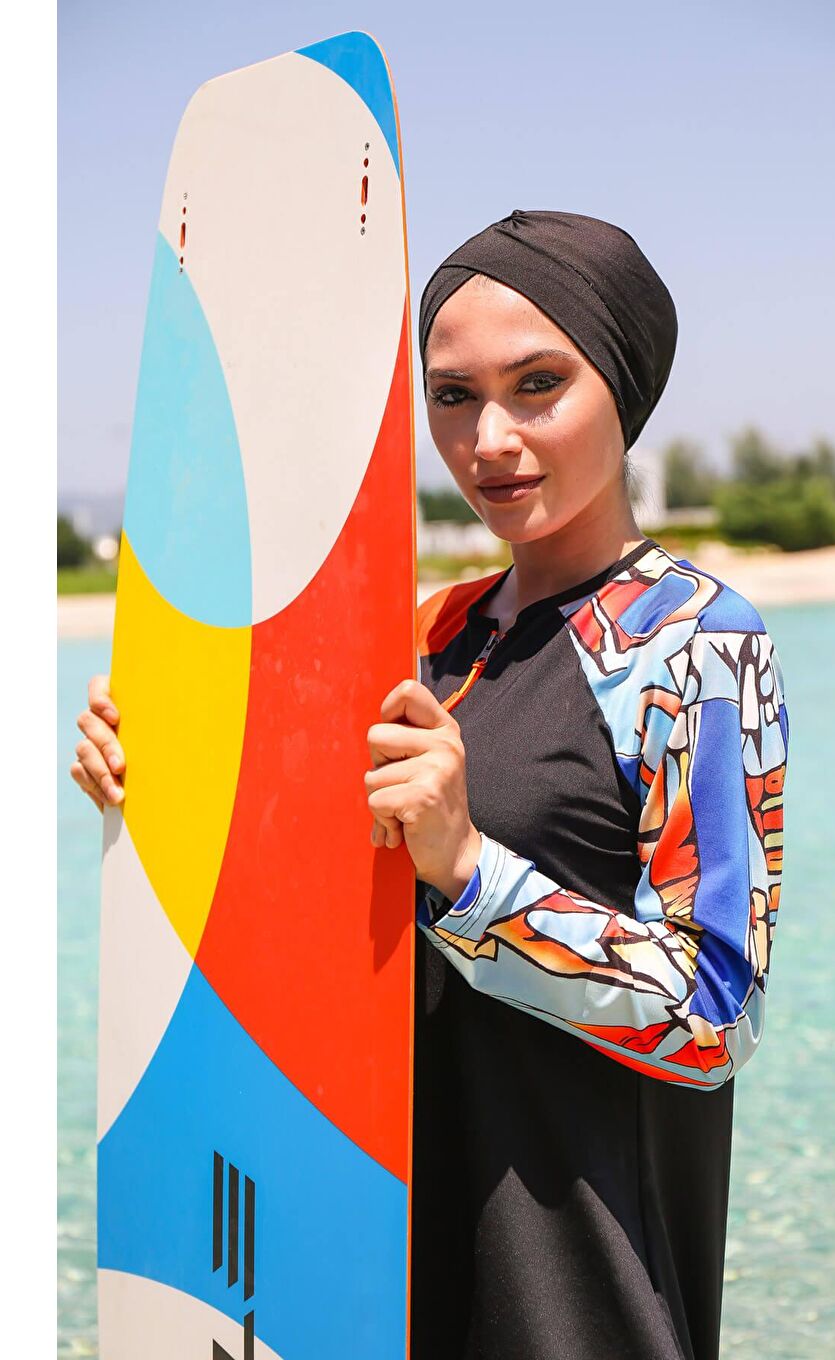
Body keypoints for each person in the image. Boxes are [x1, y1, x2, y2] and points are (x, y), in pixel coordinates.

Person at [72, 208, 789, 1360]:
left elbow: (717, 1014)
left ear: (622, 387)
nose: (490, 439)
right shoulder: (426, 634)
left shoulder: (693, 643)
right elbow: (306, 878)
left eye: (538, 385)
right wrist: (150, 769)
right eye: (453, 396)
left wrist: (468, 871)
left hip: (579, 1298)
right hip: (370, 1278)